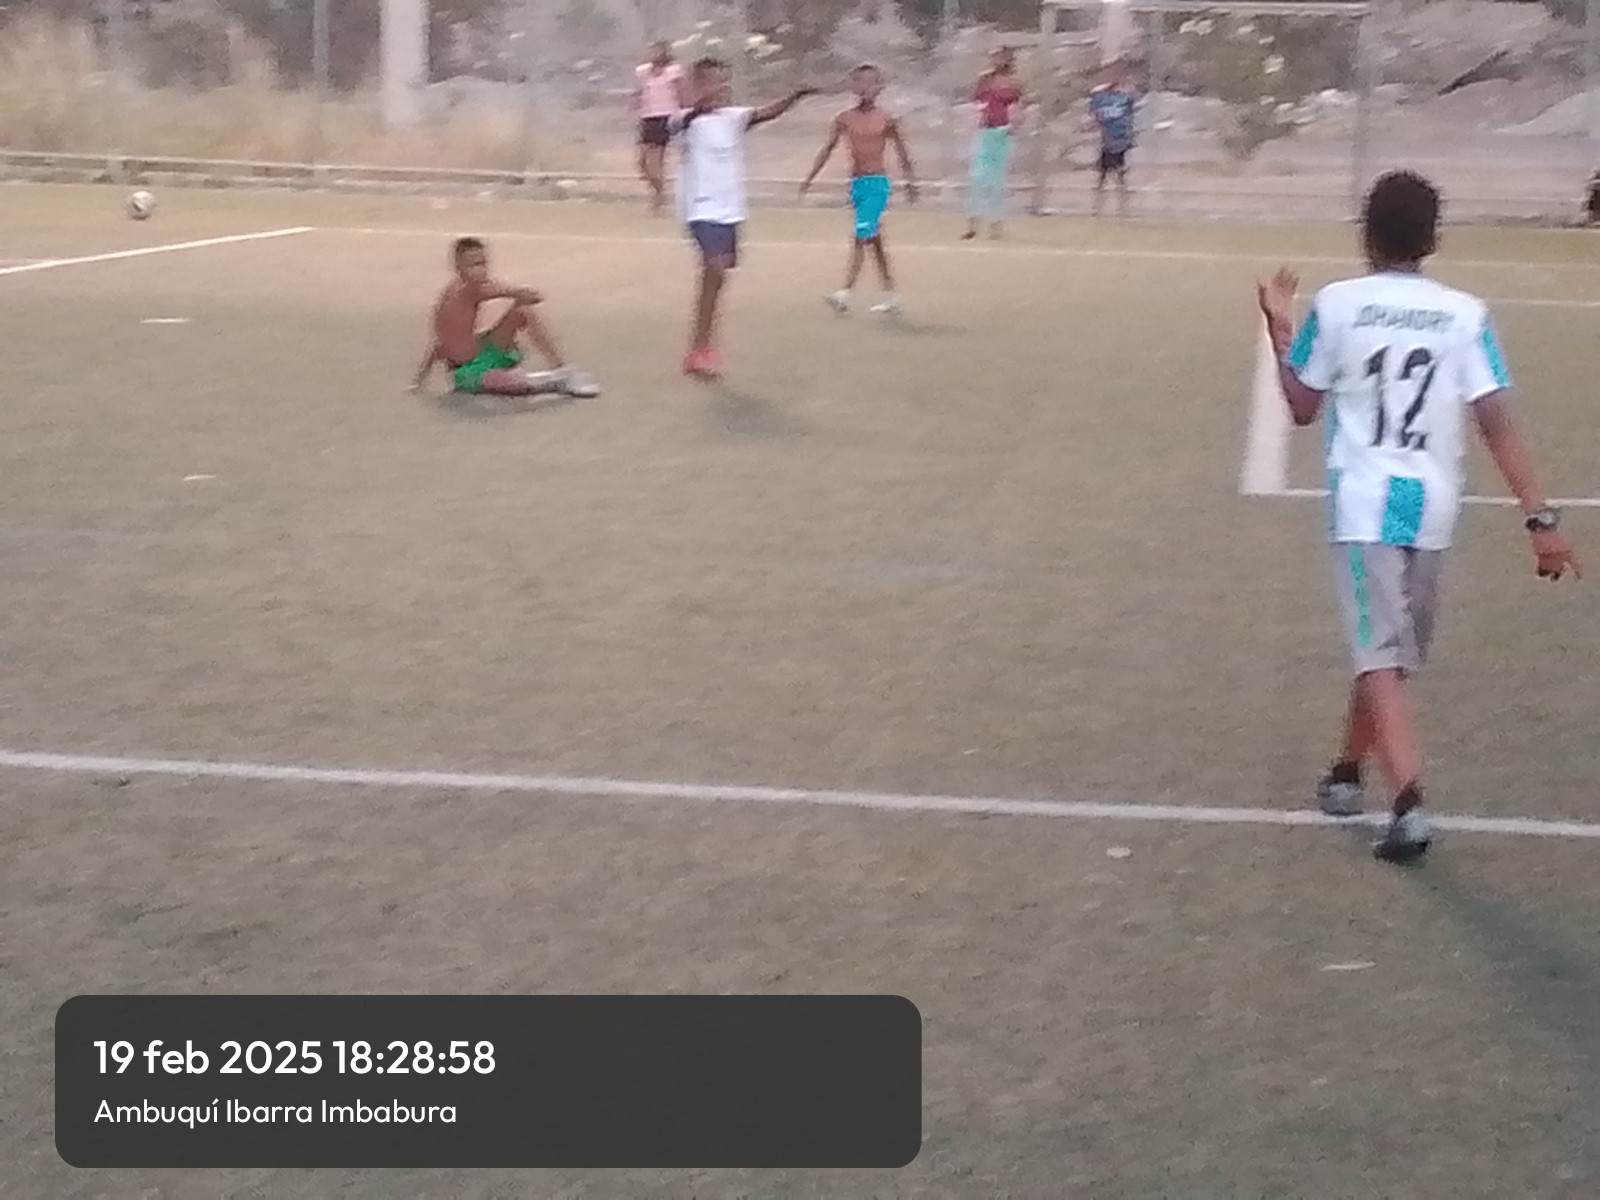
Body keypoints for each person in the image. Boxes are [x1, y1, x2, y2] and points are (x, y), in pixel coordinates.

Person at [1257, 170, 1579, 863]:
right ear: (1432, 240)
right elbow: (1496, 420)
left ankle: (1408, 801)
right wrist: (1540, 518)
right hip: (1431, 506)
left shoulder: (1338, 305)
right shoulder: (1465, 314)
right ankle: (1347, 773)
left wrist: (1280, 327)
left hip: (1366, 504)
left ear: (1366, 233)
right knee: (1387, 652)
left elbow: (1303, 406)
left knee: (1380, 652)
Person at [672, 58, 815, 379]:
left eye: (724, 80)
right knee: (715, 268)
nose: (721, 87)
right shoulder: (684, 120)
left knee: (720, 275)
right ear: (697, 85)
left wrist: (796, 95)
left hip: (730, 209)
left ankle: (699, 347)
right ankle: (700, 350)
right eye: (713, 81)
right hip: (700, 209)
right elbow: (678, 123)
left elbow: (767, 112)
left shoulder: (735, 117)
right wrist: (699, 106)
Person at [410, 237, 600, 398]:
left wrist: (419, 380)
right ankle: (550, 381)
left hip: (483, 351)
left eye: (483, 264)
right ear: (458, 267)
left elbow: (439, 345)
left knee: (522, 311)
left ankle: (562, 369)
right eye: (474, 265)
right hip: (468, 372)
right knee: (514, 386)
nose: (481, 270)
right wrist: (519, 293)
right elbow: (441, 342)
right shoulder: (464, 292)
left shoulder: (460, 290)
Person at [800, 63, 919, 316]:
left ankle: (844, 292)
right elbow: (827, 148)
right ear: (853, 86)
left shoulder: (886, 119)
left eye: (871, 82)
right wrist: (810, 177)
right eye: (860, 82)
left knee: (861, 235)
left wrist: (911, 182)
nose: (866, 88)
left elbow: (902, 152)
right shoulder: (844, 118)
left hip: (877, 183)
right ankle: (892, 294)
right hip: (857, 184)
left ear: (879, 87)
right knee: (873, 240)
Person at [964, 47, 1025, 241]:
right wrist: (975, 122)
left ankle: (995, 225)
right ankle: (973, 223)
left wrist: (1012, 125)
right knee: (977, 177)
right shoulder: (984, 81)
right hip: (984, 132)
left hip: (1000, 133)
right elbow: (975, 104)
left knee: (996, 180)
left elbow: (1017, 107)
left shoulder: (1012, 84)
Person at [635, 40, 688, 215]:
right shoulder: (644, 72)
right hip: (647, 118)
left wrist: (685, 114)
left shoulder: (673, 72)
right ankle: (658, 192)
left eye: (658, 51)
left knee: (655, 161)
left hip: (665, 117)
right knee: (642, 162)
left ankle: (659, 199)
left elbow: (682, 94)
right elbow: (640, 92)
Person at [1088, 64, 1137, 217]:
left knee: (1118, 176)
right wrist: (1110, 85)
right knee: (1103, 177)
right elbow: (1094, 92)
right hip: (1108, 143)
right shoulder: (1104, 100)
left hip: (1118, 142)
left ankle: (1121, 208)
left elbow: (1131, 95)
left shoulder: (1122, 100)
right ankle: (1098, 208)